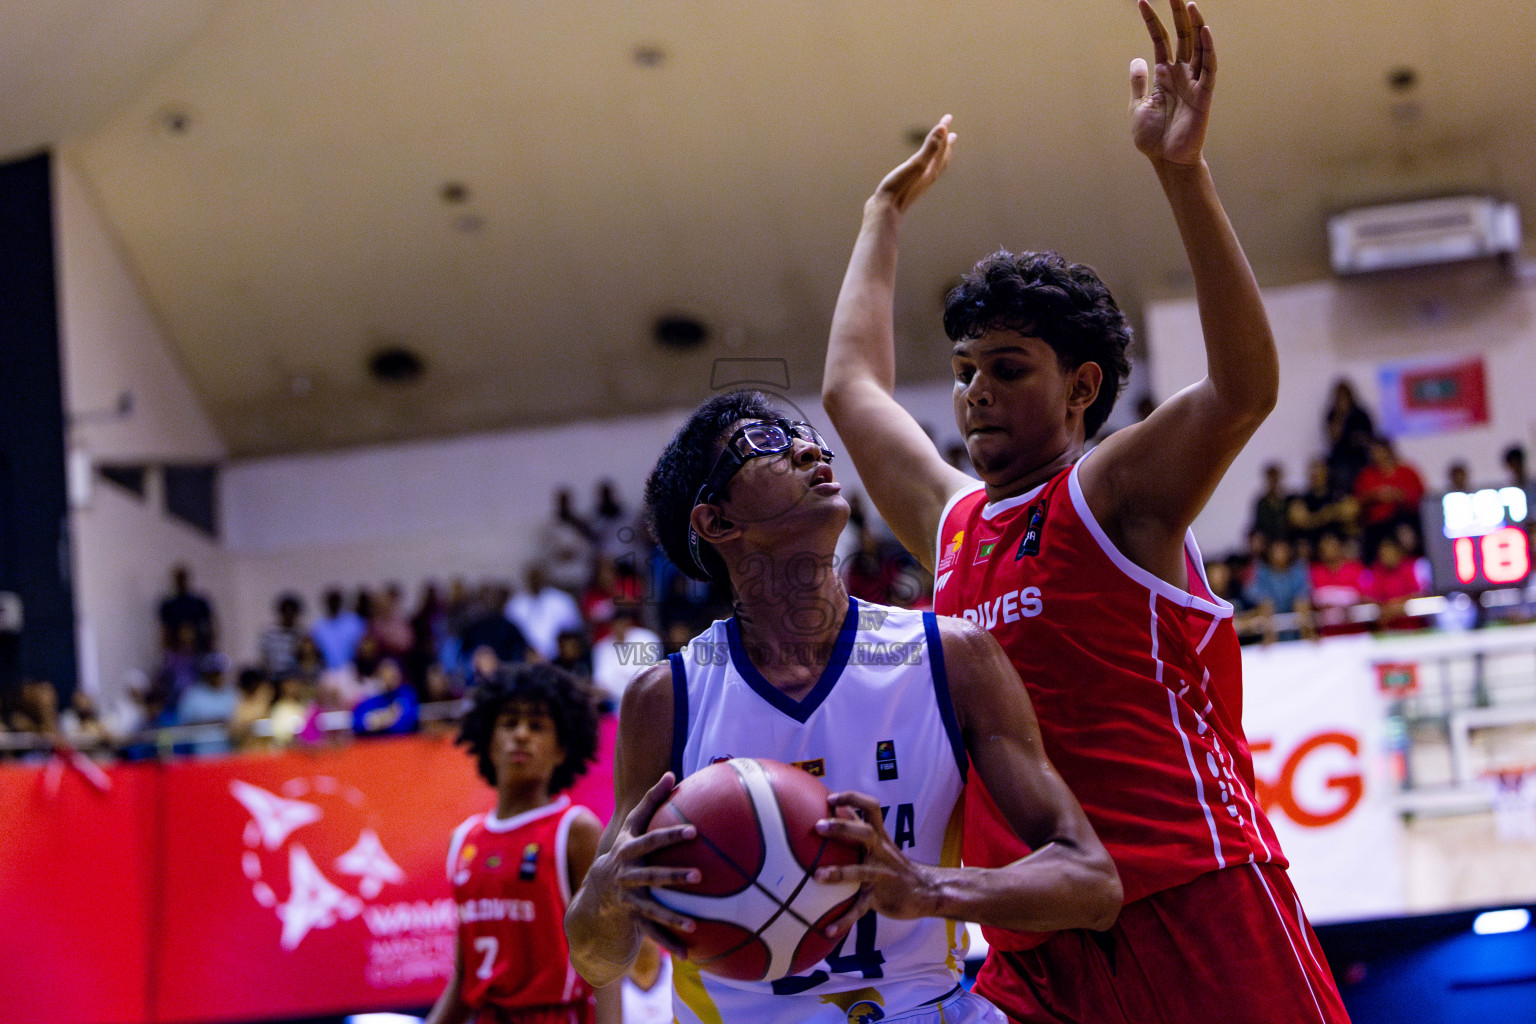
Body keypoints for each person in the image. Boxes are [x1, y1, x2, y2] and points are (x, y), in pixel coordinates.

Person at [818, 3, 1349, 1020]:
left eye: (1006, 369)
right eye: (965, 370)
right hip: (1033, 944)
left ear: (1081, 387)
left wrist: (1182, 173)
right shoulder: (954, 520)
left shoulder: (1110, 493)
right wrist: (880, 219)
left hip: (1192, 897)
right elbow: (852, 389)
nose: (973, 391)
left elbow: (1243, 386)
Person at [564, 392, 1120, 1024]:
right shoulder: (666, 697)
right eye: (765, 445)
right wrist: (609, 901)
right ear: (716, 523)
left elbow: (1093, 884)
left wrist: (927, 888)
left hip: (920, 1008)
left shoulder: (952, 655)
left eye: (805, 437)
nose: (809, 449)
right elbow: (596, 959)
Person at [425, 662, 616, 1024]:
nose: (522, 735)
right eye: (509, 723)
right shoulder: (463, 840)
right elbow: (464, 978)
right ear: (488, 740)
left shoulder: (574, 830)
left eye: (538, 725)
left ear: (563, 749)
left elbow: (606, 962)